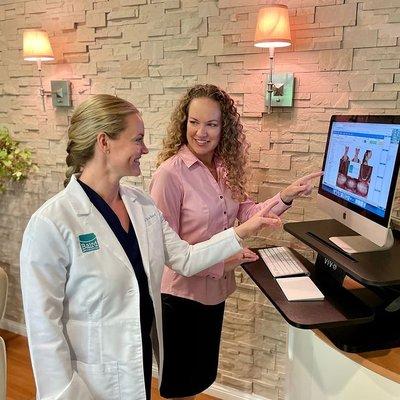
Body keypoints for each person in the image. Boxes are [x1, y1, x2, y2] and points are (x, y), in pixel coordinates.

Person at [19, 95, 282, 400]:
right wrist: (64, 394)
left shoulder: (140, 205)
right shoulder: (52, 224)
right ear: (104, 142)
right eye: (138, 140)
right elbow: (43, 330)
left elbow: (185, 258)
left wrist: (242, 231)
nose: (145, 149)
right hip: (89, 380)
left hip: (137, 360)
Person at [149, 84, 323, 400]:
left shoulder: (222, 168)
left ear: (223, 127)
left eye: (211, 124)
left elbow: (247, 212)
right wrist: (225, 261)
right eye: (194, 122)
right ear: (184, 122)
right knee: (178, 386)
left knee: (200, 378)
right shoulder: (169, 175)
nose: (201, 132)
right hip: (179, 298)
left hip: (214, 292)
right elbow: (165, 253)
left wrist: (285, 196)